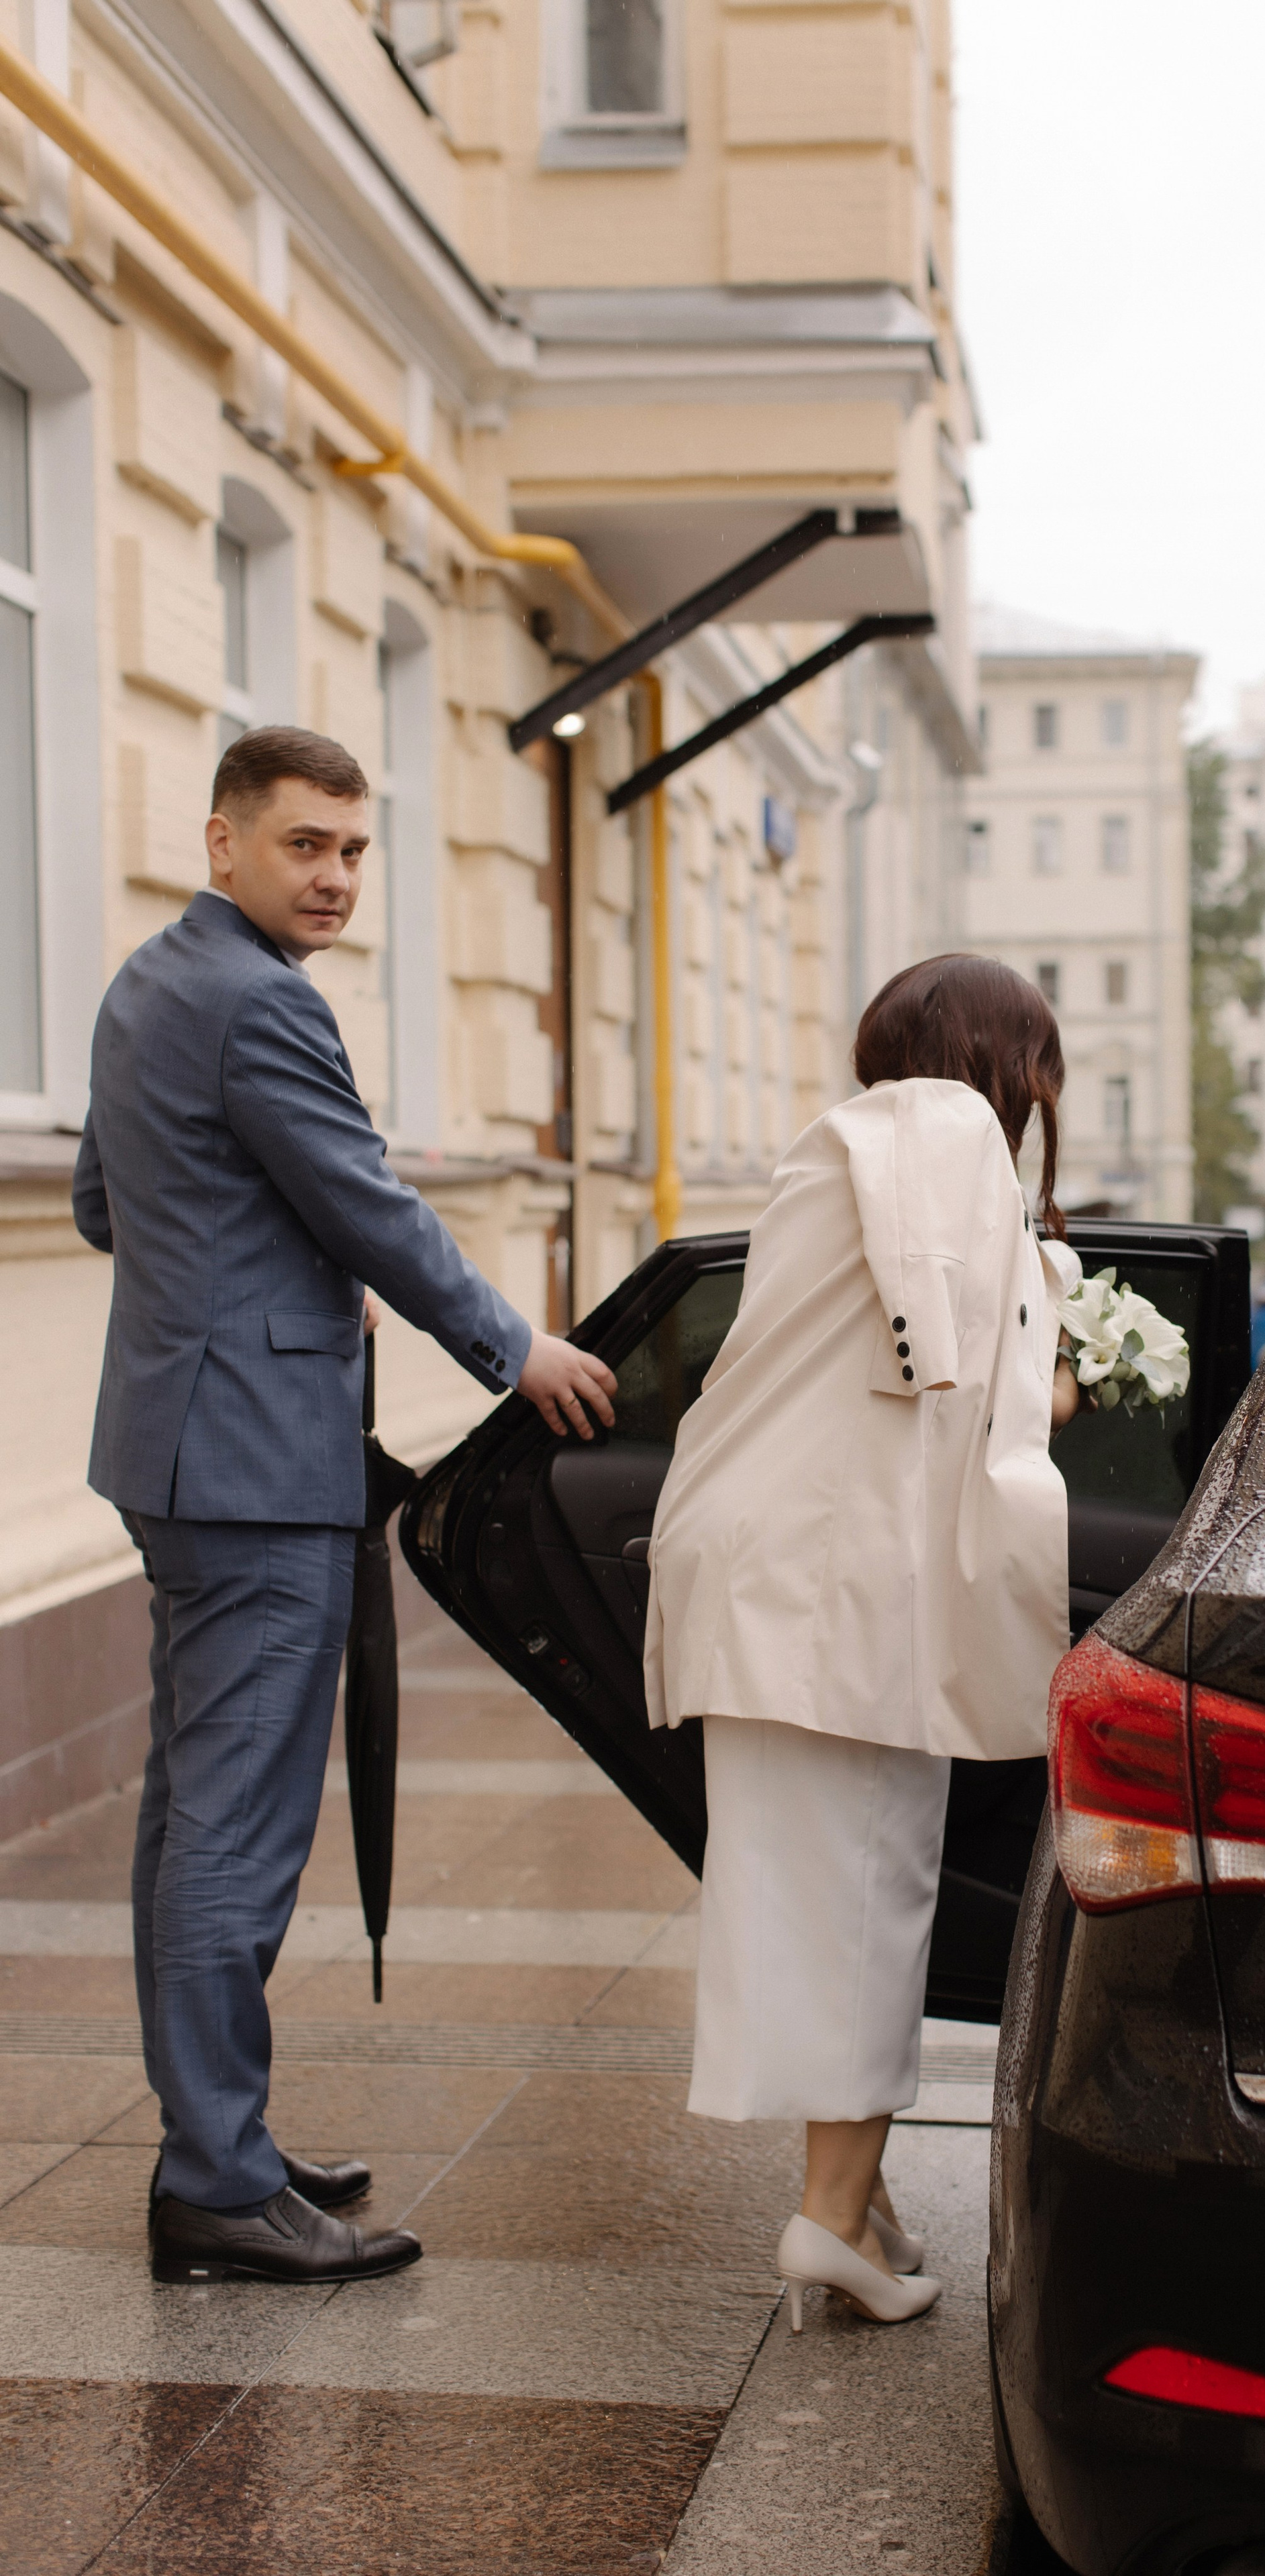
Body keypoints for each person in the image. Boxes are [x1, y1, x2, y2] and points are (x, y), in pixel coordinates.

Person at [74, 726, 617, 2286]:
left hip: (175, 1452)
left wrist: (270, 1272)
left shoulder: (145, 984)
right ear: (222, 842)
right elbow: (368, 1204)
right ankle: (217, 2181)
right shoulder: (262, 1004)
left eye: (353, 850)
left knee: (191, 1815)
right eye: (303, 844)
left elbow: (113, 1206)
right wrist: (513, 1347)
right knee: (233, 1835)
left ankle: (214, 2139)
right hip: (252, 1470)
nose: (332, 876)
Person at [644, 953, 1082, 2328]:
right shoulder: (950, 1140)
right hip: (853, 1598)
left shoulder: (826, 1156)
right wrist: (1063, 1368)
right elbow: (968, 1384)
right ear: (999, 1062)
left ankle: (857, 2204)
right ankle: (829, 2220)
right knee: (869, 1903)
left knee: (804, 1899)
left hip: (755, 1573)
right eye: (1040, 1067)